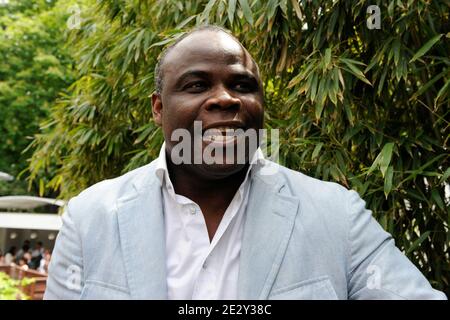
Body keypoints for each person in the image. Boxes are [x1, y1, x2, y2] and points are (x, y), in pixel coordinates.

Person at [44, 26, 446, 300]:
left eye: (242, 85)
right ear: (158, 107)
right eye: (197, 85)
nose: (226, 99)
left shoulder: (337, 215)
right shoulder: (90, 218)